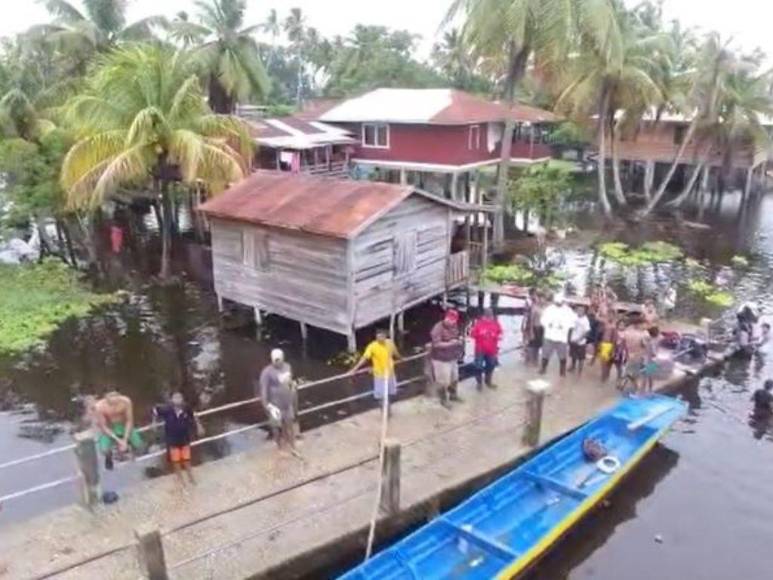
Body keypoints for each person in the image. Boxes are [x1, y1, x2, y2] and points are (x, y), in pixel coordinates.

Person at [153, 392, 204, 485]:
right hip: (172, 439)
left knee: (187, 459)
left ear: (182, 399)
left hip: (184, 437)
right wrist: (154, 423)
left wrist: (199, 426)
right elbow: (155, 410)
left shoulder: (186, 408)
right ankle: (180, 478)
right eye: (175, 397)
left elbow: (194, 415)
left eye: (179, 397)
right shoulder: (166, 409)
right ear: (171, 400)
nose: (177, 399)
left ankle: (190, 477)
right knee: (176, 461)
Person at [257, 349, 299, 455]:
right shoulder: (266, 373)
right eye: (275, 360)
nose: (277, 362)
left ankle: (292, 446)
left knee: (290, 425)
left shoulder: (287, 367)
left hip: (287, 403)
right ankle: (279, 447)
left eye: (279, 359)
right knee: (276, 427)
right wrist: (268, 406)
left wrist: (293, 388)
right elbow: (263, 392)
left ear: (283, 358)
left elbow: (290, 382)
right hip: (275, 405)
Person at [351, 329, 402, 410]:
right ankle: (383, 409)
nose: (380, 339)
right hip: (379, 375)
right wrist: (355, 369)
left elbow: (395, 353)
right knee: (380, 395)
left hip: (390, 373)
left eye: (382, 337)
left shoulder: (390, 343)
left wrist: (400, 358)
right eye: (378, 337)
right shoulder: (372, 346)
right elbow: (364, 358)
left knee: (389, 393)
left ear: (385, 336)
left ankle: (388, 408)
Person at [94, 391, 143, 470]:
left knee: (139, 445)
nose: (114, 400)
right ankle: (109, 458)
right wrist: (118, 440)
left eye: (116, 397)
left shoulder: (126, 401)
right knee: (104, 449)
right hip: (109, 428)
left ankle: (131, 452)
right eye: (111, 397)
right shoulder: (99, 407)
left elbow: (129, 420)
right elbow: (103, 426)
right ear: (106, 398)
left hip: (124, 425)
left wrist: (125, 439)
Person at [430, 309, 464, 408]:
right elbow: (436, 344)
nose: (451, 322)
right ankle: (443, 400)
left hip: (452, 357)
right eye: (450, 319)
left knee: (455, 377)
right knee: (443, 381)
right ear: (446, 317)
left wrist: (460, 339)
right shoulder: (437, 328)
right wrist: (450, 344)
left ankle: (453, 395)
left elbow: (458, 334)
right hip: (440, 359)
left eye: (453, 320)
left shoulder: (455, 326)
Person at [540, 294, 577, 377]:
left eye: (559, 303)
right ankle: (543, 369)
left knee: (562, 356)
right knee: (545, 354)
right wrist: (547, 324)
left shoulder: (568, 310)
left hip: (561, 337)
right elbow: (543, 320)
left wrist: (564, 326)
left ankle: (562, 372)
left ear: (562, 302)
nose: (558, 304)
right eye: (557, 303)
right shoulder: (549, 309)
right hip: (549, 336)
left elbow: (573, 322)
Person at [470, 308, 503, 390]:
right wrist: (480, 334)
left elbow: (501, 334)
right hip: (480, 349)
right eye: (487, 317)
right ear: (483, 316)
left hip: (492, 350)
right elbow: (472, 334)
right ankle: (479, 383)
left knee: (491, 365)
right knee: (478, 366)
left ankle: (488, 381)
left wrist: (495, 336)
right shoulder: (478, 324)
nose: (488, 319)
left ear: (492, 316)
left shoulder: (496, 324)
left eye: (490, 317)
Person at [621, 315, 651, 394]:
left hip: (629, 356)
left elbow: (623, 343)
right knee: (639, 375)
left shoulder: (627, 331)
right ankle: (637, 390)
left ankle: (628, 385)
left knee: (632, 373)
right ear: (638, 324)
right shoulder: (644, 334)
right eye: (644, 324)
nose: (646, 326)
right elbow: (646, 346)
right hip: (639, 357)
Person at [523, 290, 544, 365]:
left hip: (541, 329)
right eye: (540, 298)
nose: (541, 300)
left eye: (543, 298)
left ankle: (535, 361)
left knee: (538, 346)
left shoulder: (543, 308)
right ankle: (529, 360)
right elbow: (531, 320)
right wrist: (531, 331)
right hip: (535, 328)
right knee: (532, 345)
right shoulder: (534, 308)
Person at [569, 305, 591, 375]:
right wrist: (570, 337)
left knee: (581, 358)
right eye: (578, 310)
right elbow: (571, 328)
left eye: (581, 310)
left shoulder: (585, 320)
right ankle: (573, 367)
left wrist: (579, 339)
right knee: (573, 355)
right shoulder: (574, 317)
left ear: (584, 312)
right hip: (573, 340)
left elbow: (587, 332)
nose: (579, 311)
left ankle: (579, 371)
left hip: (581, 342)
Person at [642, 326, 661, 394]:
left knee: (645, 377)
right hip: (653, 361)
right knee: (650, 376)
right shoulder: (656, 341)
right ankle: (650, 390)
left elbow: (653, 352)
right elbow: (655, 353)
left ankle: (642, 391)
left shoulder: (649, 341)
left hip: (648, 361)